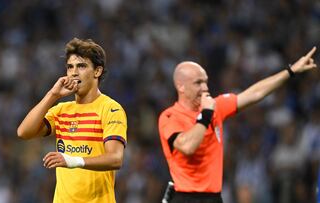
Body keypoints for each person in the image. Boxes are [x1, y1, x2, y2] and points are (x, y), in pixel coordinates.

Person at [158, 47, 317, 203]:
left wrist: (290, 71)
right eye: (198, 83)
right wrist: (206, 114)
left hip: (214, 198)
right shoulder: (170, 117)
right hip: (186, 198)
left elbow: (255, 93)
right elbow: (187, 146)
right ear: (181, 86)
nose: (205, 88)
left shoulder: (215, 107)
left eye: (205, 82)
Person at [17, 38, 127, 203]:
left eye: (81, 66)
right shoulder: (62, 110)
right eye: (70, 67)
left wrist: (72, 160)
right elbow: (24, 132)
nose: (74, 72)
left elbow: (115, 159)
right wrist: (52, 95)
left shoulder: (111, 109)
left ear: (97, 71)